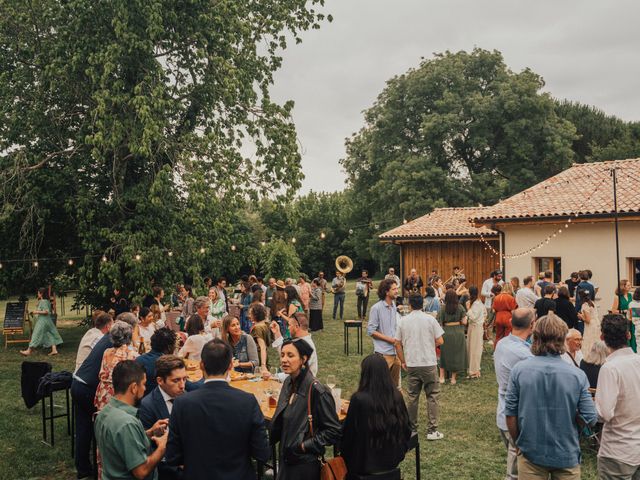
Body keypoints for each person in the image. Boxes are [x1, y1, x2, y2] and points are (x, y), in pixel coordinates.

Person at [505, 315, 596, 479]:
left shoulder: (519, 370)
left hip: (530, 451)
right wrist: (574, 424)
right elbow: (590, 416)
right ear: (563, 339)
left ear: (535, 337)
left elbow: (511, 413)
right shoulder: (577, 375)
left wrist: (518, 441)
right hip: (566, 452)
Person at [166, 339, 270, 480]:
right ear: (230, 366)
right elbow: (262, 453)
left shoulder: (182, 403)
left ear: (202, 365)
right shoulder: (247, 401)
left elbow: (173, 455)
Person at [71, 312, 137, 479]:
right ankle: (106, 468)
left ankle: (84, 469)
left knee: (84, 428)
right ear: (130, 330)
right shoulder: (122, 349)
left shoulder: (109, 340)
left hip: (78, 382)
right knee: (101, 429)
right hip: (89, 388)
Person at [270, 339, 341, 479]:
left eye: (290, 355)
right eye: (282, 355)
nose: (284, 359)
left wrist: (303, 446)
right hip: (286, 461)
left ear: (303, 359)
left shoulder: (317, 391)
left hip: (304, 465)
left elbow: (333, 431)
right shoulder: (288, 383)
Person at [94, 360, 168, 480]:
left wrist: (149, 433)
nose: (145, 389)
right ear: (134, 387)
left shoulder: (105, 412)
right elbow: (141, 471)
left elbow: (120, 442)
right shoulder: (127, 423)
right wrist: (162, 447)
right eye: (143, 384)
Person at [341, 354, 412, 478]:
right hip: (391, 461)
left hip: (363, 464)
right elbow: (407, 428)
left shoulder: (359, 399)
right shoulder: (396, 396)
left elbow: (348, 435)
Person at [595, 314, 640, 479]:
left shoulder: (610, 368)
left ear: (602, 338)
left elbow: (604, 413)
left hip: (618, 450)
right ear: (628, 335)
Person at [395, 294, 444, 440]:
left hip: (412, 363)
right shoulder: (430, 319)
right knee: (433, 396)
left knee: (412, 397)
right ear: (422, 304)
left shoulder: (403, 321)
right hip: (428, 362)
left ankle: (411, 429)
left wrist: (403, 360)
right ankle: (432, 430)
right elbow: (440, 340)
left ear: (409, 305)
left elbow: (397, 343)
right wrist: (429, 345)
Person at [493, 308, 534, 480]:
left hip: (502, 412)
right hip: (517, 417)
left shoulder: (502, 343)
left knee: (514, 457)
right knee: (518, 469)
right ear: (532, 325)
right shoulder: (526, 355)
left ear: (511, 323)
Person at [138, 355, 188, 480]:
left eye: (184, 379)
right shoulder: (147, 405)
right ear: (160, 381)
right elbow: (145, 449)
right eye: (176, 381)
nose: (182, 386)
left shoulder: (187, 397)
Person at [95, 321, 139, 411]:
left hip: (103, 393)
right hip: (118, 395)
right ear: (129, 337)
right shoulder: (132, 355)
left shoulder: (106, 351)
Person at [367, 279, 401, 386]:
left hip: (396, 353)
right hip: (383, 354)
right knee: (380, 387)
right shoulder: (376, 308)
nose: (397, 291)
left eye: (397, 288)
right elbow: (371, 331)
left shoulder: (394, 306)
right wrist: (391, 340)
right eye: (394, 289)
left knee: (394, 387)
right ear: (386, 292)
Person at [270, 312, 318, 377]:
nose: (288, 328)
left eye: (289, 325)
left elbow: (296, 374)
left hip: (301, 386)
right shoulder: (299, 341)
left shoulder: (307, 346)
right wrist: (277, 332)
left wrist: (273, 376)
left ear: (296, 327)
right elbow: (285, 351)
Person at [20, 287, 63, 356]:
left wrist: (36, 311)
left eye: (38, 293)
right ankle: (54, 350)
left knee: (35, 334)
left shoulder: (44, 301)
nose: (37, 294)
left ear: (41, 293)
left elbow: (46, 312)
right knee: (49, 334)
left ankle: (29, 350)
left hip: (43, 321)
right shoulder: (45, 301)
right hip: (47, 320)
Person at [437, 289, 468, 384]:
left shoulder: (442, 308)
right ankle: (453, 378)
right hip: (458, 333)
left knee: (444, 354)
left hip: (446, 332)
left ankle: (442, 377)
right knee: (456, 355)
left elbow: (439, 322)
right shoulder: (460, 307)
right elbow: (464, 322)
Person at [136, 328, 178, 396]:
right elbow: (186, 386)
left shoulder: (138, 360)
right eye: (174, 345)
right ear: (169, 347)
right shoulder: (169, 364)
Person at [466, 286, 486, 379]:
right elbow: (485, 313)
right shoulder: (477, 302)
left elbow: (473, 317)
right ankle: (472, 368)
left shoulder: (477, 304)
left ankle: (474, 370)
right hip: (473, 327)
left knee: (475, 349)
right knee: (471, 348)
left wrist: (468, 308)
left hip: (476, 328)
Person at [612, 279, 636, 352]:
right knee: (626, 337)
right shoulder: (617, 297)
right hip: (623, 320)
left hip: (631, 319)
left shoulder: (631, 295)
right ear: (623, 286)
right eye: (628, 285)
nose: (630, 287)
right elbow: (613, 311)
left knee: (633, 336)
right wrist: (623, 311)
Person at [249, 303, 271, 368]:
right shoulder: (265, 325)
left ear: (256, 315)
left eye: (250, 314)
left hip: (259, 357)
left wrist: (263, 365)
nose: (249, 316)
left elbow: (262, 347)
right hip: (264, 356)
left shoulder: (257, 328)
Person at [579, 289, 600, 356]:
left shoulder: (585, 305)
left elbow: (588, 320)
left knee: (589, 341)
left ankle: (589, 356)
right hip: (596, 323)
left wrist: (581, 316)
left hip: (590, 325)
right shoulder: (592, 303)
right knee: (595, 340)